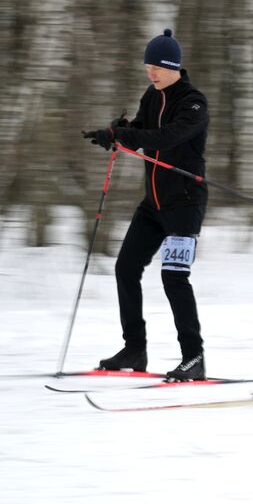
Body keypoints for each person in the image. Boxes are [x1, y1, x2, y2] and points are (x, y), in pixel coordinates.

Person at [83, 29, 210, 380]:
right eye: (147, 67)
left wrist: (126, 135)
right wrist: (113, 133)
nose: (151, 73)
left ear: (174, 67)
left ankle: (194, 357)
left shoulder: (194, 102)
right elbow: (140, 132)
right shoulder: (151, 95)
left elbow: (166, 139)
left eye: (157, 67)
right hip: (153, 203)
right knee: (126, 268)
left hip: (185, 203)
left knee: (173, 278)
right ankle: (135, 348)